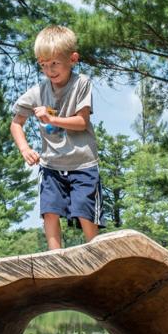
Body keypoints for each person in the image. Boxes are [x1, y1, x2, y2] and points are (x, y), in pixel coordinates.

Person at [10, 25, 101, 250]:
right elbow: (16, 123)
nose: (49, 70)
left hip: (82, 164)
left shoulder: (81, 84)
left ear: (73, 59)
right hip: (51, 165)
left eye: (54, 63)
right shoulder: (38, 92)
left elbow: (82, 122)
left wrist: (52, 119)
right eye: (43, 64)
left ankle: (96, 253)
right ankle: (55, 258)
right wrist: (25, 149)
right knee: (50, 210)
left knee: (84, 211)